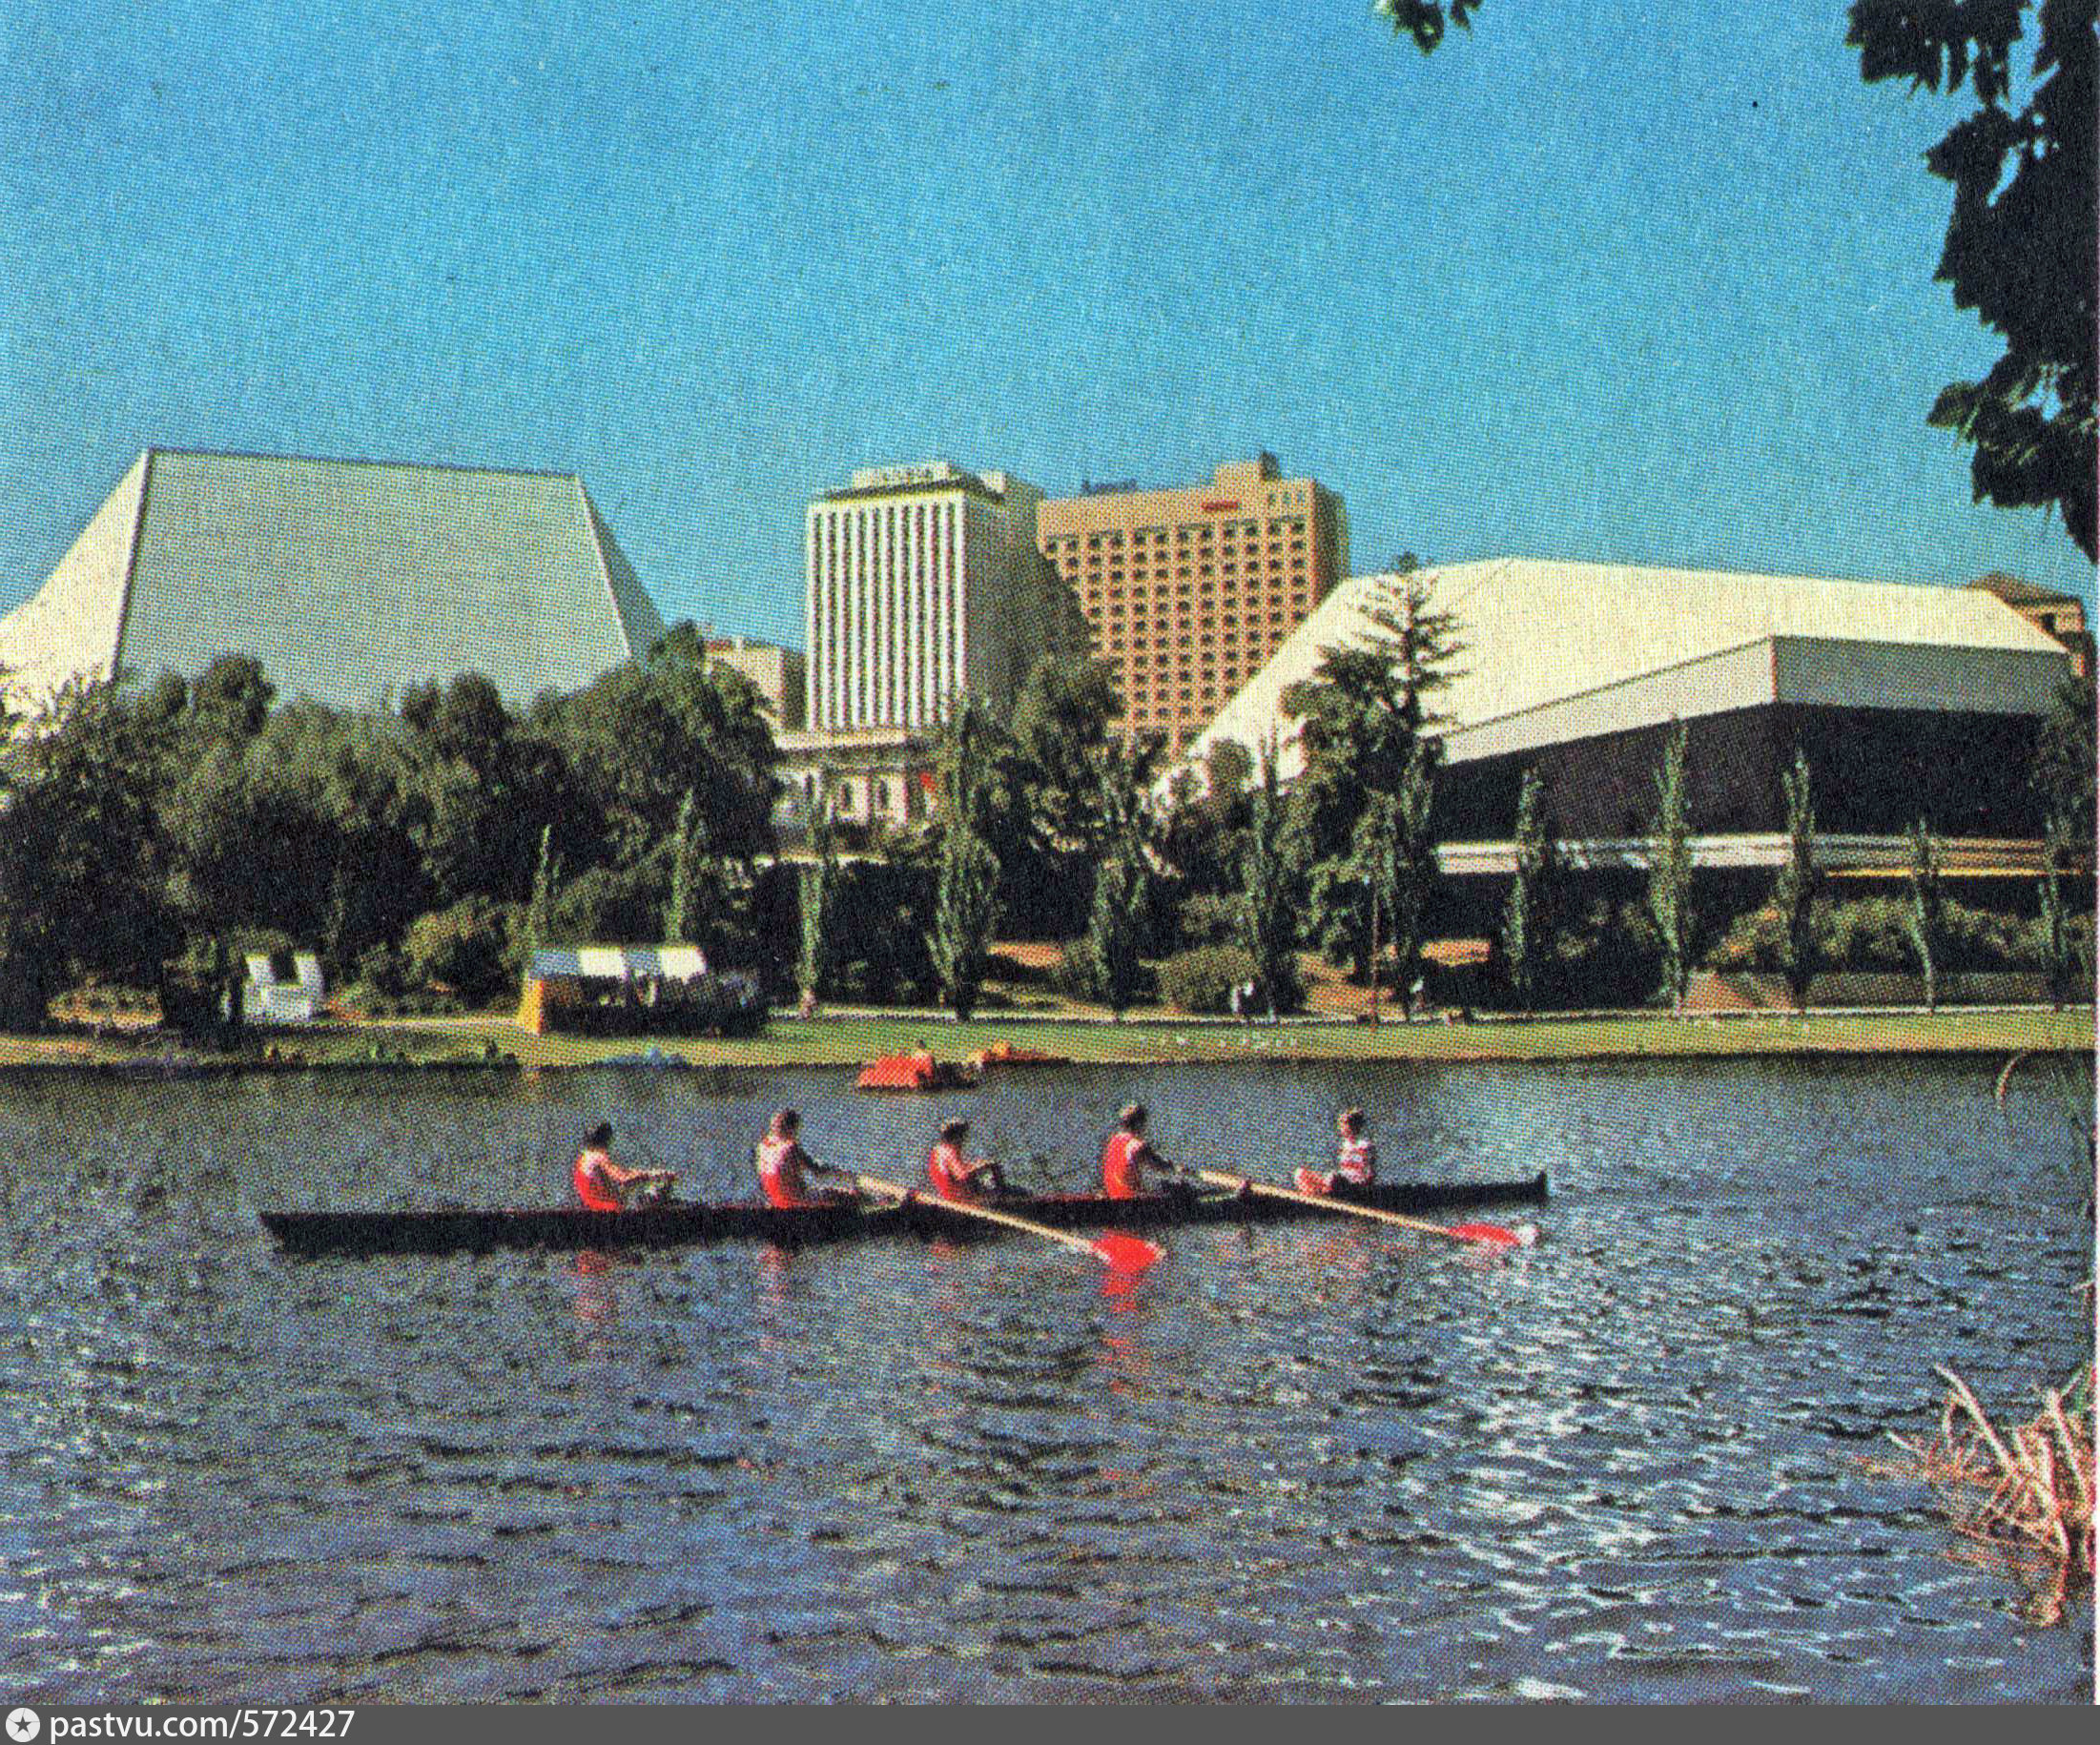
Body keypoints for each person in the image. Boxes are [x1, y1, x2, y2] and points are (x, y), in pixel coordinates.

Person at [754, 1108, 859, 1209]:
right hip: (797, 1202)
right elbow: (818, 1172)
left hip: (776, 1201)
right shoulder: (790, 1147)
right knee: (842, 1195)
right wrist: (848, 1175)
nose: (796, 1134)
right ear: (791, 1129)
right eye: (796, 1130)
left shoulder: (762, 1147)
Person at [573, 1120, 676, 1211]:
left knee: (634, 1190)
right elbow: (623, 1178)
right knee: (651, 1194)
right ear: (606, 1138)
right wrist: (651, 1176)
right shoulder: (599, 1157)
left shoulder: (583, 1158)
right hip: (608, 1209)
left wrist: (648, 1175)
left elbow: (621, 1175)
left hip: (595, 1207)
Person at [1100, 1103, 1188, 1201]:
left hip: (1112, 1195)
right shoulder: (1138, 1146)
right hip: (1130, 1198)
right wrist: (1181, 1169)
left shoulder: (1113, 1141)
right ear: (1139, 1124)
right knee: (1178, 1191)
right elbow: (1161, 1167)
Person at [926, 1117, 1019, 1203]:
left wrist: (977, 1166)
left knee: (984, 1178)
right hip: (961, 1197)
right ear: (957, 1136)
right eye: (963, 1136)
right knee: (992, 1166)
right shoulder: (949, 1151)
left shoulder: (937, 1151)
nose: (963, 1141)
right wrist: (985, 1165)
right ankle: (1005, 1196)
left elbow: (953, 1173)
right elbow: (962, 1175)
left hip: (949, 1194)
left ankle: (1003, 1194)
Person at [1294, 1107, 1377, 1198]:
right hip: (1341, 1182)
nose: (1340, 1128)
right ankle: (1313, 1195)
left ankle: (1319, 1194)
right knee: (1301, 1173)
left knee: (1333, 1177)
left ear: (1352, 1126)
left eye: (1343, 1125)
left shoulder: (1365, 1146)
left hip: (1353, 1186)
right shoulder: (1345, 1145)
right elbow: (1344, 1169)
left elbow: (1369, 1174)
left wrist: (1361, 1189)